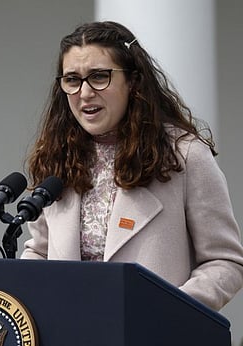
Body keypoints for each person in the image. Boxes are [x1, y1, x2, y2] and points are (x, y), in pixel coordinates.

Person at [20, 21, 243, 312]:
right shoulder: (56, 156)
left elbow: (224, 261)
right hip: (71, 337)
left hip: (154, 339)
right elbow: (39, 250)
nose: (84, 92)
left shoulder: (185, 155)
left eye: (99, 77)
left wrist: (171, 309)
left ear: (134, 82)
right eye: (72, 79)